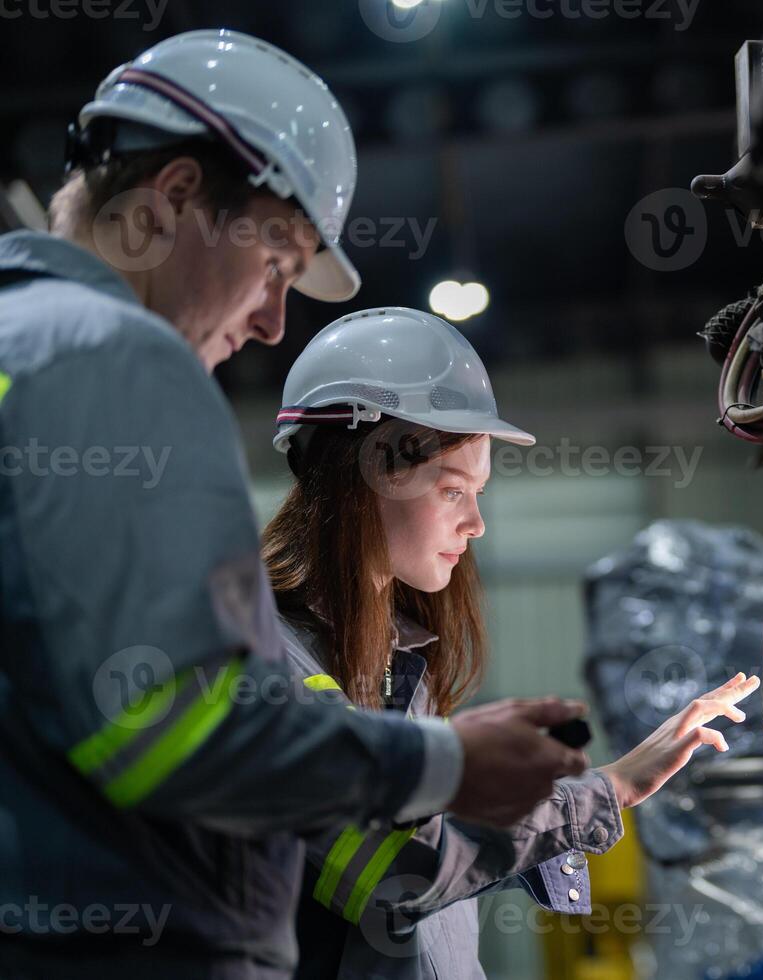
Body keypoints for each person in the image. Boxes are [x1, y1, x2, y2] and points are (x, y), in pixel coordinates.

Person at [0, 30, 584, 979]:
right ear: (176, 199)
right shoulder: (112, 355)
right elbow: (169, 727)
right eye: (276, 261)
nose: (275, 319)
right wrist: (443, 765)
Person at [261, 306, 760, 978]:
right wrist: (608, 790)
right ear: (374, 466)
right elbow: (396, 870)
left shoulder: (397, 661)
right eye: (452, 489)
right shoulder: (271, 659)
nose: (475, 524)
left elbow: (439, 871)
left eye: (480, 493)